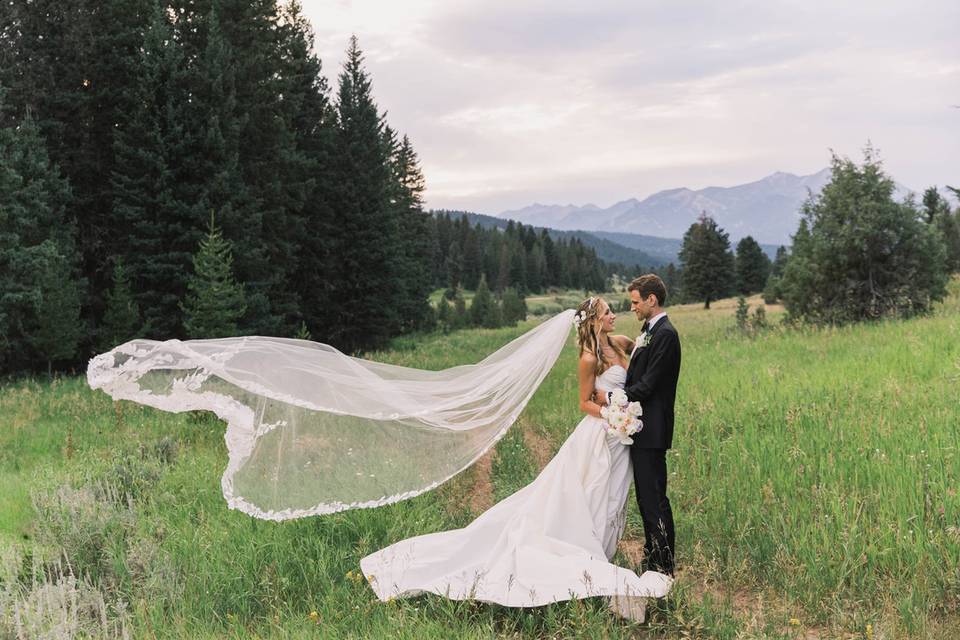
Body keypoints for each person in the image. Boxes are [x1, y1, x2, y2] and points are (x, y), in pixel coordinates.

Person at [360, 295, 672, 619]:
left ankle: (599, 557)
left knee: (614, 496)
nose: (614, 315)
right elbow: (584, 403)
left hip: (620, 438)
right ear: (594, 320)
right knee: (591, 495)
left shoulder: (619, 342)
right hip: (600, 434)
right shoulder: (588, 358)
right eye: (608, 312)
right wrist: (613, 416)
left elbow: (642, 365)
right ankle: (587, 560)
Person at [598, 274, 680, 576]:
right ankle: (653, 558)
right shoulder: (648, 331)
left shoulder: (666, 335)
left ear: (651, 300)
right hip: (640, 430)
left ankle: (663, 565)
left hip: (652, 430)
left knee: (654, 497)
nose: (632, 307)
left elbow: (647, 386)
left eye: (635, 302)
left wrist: (608, 397)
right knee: (646, 499)